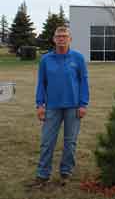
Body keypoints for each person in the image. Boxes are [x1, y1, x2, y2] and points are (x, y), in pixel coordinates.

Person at [28, 26, 89, 188]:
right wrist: (39, 105)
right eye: (59, 36)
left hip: (73, 107)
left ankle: (65, 173)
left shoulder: (78, 58)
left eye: (65, 36)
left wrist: (83, 104)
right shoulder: (46, 60)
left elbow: (84, 82)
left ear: (70, 39)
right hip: (52, 107)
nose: (61, 39)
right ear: (54, 39)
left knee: (70, 142)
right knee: (47, 142)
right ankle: (42, 175)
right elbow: (41, 83)